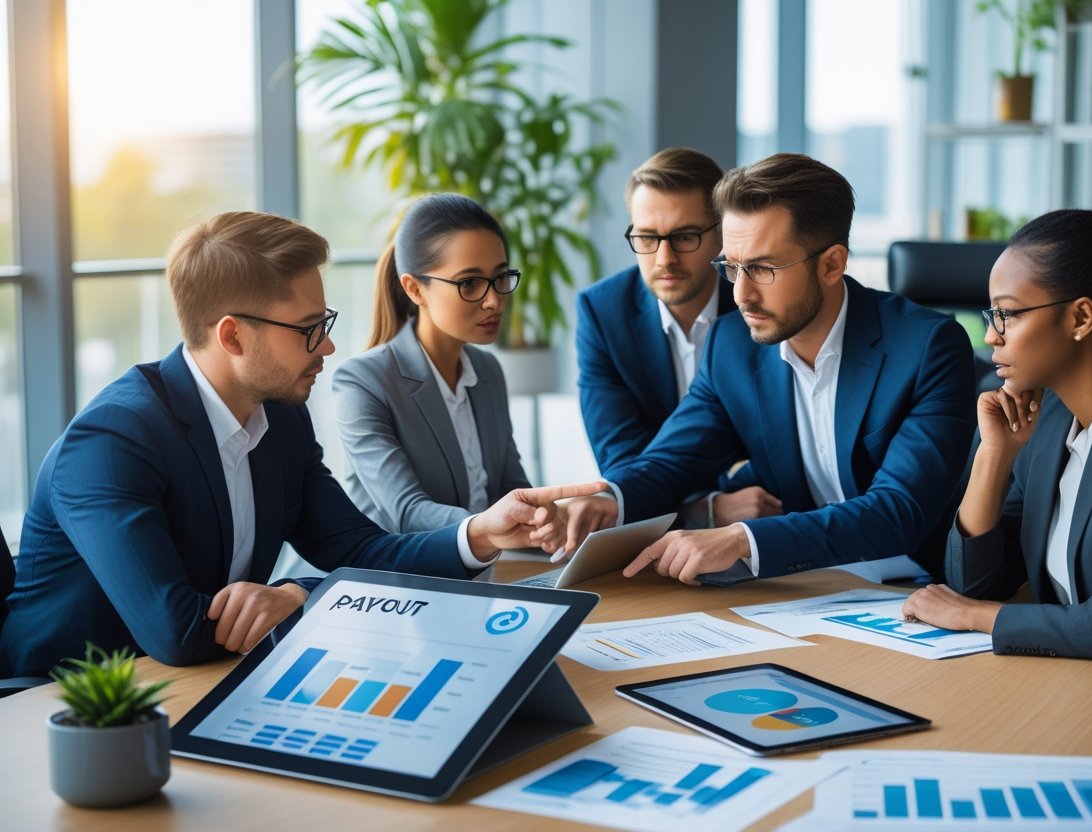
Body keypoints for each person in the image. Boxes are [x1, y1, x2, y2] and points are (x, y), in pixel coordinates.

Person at [0, 211, 603, 678]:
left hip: (205, 682)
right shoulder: (113, 440)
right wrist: (302, 595)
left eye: (326, 322)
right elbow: (176, 632)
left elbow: (364, 550)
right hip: (69, 707)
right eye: (309, 330)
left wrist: (482, 534)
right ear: (231, 335)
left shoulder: (281, 420)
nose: (329, 348)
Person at [549, 152, 976, 584]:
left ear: (832, 264)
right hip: (796, 583)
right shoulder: (732, 344)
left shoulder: (927, 347)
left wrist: (742, 539)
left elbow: (898, 513)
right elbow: (670, 461)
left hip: (916, 585)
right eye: (732, 267)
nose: (740, 295)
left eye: (762, 268)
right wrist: (609, 498)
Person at [902, 209, 1092, 667]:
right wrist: (995, 454)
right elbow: (974, 582)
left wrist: (974, 616)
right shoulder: (1049, 421)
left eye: (1007, 314)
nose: (990, 335)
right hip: (1079, 675)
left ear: (1081, 318)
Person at [576, 147, 779, 528]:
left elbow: (775, 455)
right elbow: (621, 461)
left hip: (767, 523)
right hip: (668, 531)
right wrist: (706, 510)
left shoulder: (760, 304)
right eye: (647, 237)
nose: (664, 258)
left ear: (721, 233)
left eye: (684, 236)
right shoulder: (603, 313)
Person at [332, 194, 531, 533]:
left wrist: (546, 516)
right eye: (469, 283)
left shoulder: (487, 372)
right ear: (414, 289)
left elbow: (510, 488)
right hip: (405, 578)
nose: (495, 301)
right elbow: (407, 514)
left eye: (501, 277)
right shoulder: (363, 382)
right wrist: (493, 526)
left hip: (487, 571)